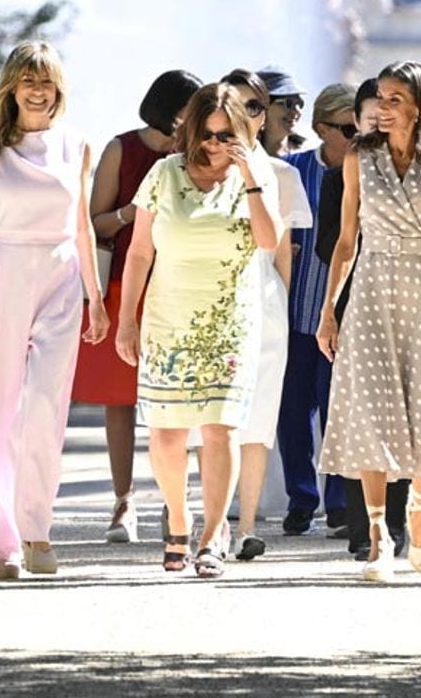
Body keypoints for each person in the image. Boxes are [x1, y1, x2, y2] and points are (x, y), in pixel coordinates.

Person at [318, 61, 421, 580]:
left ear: (418, 104)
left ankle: (417, 511)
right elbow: (346, 241)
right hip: (370, 286)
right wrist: (329, 309)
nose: (383, 109)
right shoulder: (359, 155)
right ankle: (375, 533)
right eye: (380, 99)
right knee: (371, 407)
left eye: (394, 99)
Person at [0, 41, 108, 580]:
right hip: (8, 270)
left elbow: (83, 224)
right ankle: (3, 541)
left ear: (57, 88)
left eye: (47, 81)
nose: (38, 90)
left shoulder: (76, 145)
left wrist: (97, 296)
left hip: (62, 275)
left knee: (45, 405)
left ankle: (38, 530)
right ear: (11, 87)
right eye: (28, 80)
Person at [115, 83, 280, 578]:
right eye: (205, 134)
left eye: (224, 133)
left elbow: (269, 241)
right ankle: (179, 522)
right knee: (166, 436)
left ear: (242, 130)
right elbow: (140, 251)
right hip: (169, 318)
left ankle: (212, 535)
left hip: (229, 322)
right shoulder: (164, 173)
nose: (213, 144)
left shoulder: (256, 174)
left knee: (220, 429)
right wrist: (127, 319)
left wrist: (249, 174)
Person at [71, 69, 201, 544]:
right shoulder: (121, 149)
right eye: (192, 108)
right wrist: (135, 212)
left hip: (180, 286)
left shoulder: (197, 154)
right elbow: (94, 224)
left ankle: (175, 505)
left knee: (179, 400)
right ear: (171, 108)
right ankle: (124, 502)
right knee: (118, 399)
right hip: (125, 282)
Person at [218, 69, 312, 561]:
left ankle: (247, 526)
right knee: (210, 414)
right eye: (236, 105)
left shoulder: (284, 174)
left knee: (257, 418)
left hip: (262, 297)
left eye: (257, 107)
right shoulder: (193, 164)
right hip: (209, 293)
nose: (247, 116)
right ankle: (210, 522)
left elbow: (283, 254)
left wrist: (278, 303)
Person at [315, 78, 410, 561]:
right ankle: (362, 526)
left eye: (385, 116)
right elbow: (328, 241)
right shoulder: (342, 176)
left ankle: (405, 517)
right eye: (368, 120)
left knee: (409, 410)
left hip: (412, 296)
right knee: (362, 415)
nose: (377, 126)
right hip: (358, 299)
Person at [276, 82, 356, 537]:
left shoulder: (367, 172)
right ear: (321, 128)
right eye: (346, 128)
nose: (354, 136)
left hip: (343, 314)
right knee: (293, 412)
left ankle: (341, 500)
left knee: (338, 408)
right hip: (293, 311)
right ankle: (301, 498)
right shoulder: (291, 170)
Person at [258, 65, 306, 158]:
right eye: (288, 103)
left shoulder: (308, 158)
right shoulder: (246, 159)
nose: (297, 111)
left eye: (299, 103)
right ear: (263, 107)